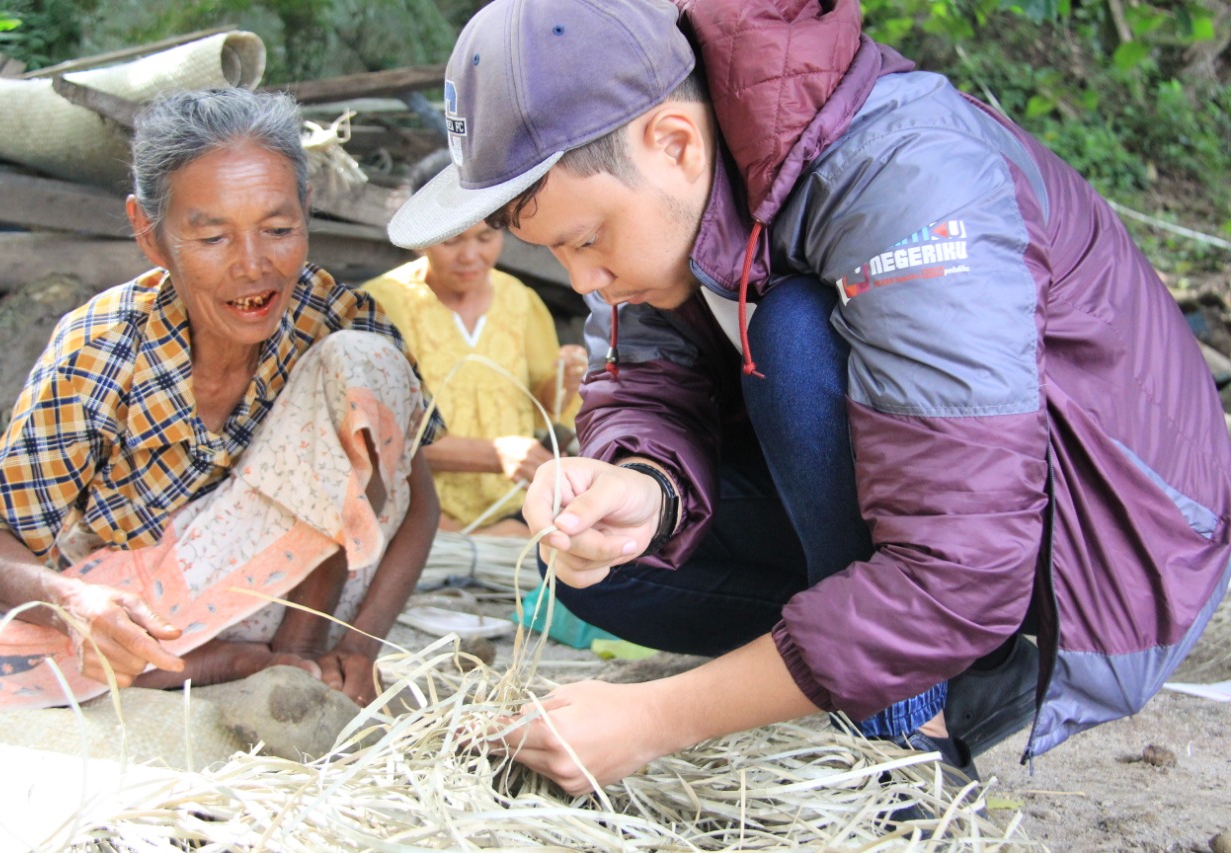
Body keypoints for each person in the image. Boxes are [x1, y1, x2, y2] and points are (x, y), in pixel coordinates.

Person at [385, 0, 1231, 798]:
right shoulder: (671, 191)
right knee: (604, 570)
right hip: (934, 520)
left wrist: (656, 718)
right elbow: (648, 382)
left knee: (791, 331)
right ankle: (948, 670)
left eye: (586, 241)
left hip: (1093, 538)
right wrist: (641, 485)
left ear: (674, 141)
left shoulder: (904, 172)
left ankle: (913, 729)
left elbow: (964, 568)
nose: (584, 281)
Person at [0, 87, 444, 710]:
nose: (253, 266)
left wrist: (361, 646)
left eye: (278, 229)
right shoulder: (100, 352)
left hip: (321, 604)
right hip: (160, 610)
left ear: (307, 211)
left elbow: (418, 504)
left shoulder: (339, 316)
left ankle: (293, 657)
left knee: (362, 358)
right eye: (212, 238)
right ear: (149, 235)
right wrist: (78, 605)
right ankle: (201, 663)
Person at [363, 150, 586, 537]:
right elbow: (373, 437)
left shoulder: (521, 301)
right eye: (452, 241)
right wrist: (495, 454)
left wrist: (564, 382)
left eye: (486, 237)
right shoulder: (381, 306)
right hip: (415, 513)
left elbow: (543, 416)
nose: (471, 256)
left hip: (511, 508)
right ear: (422, 238)